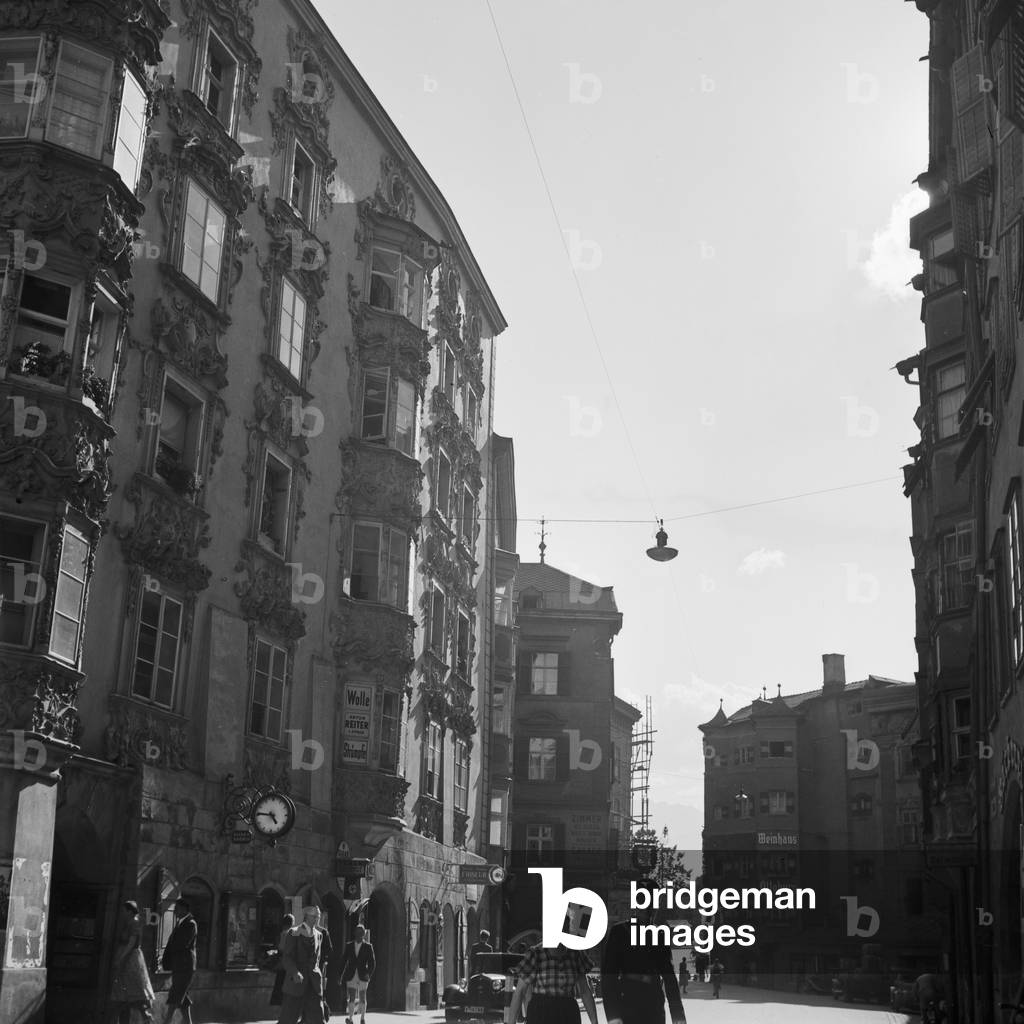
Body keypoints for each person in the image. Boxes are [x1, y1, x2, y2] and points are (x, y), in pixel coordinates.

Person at [601, 885, 686, 1024]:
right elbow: (609, 978)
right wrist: (613, 1016)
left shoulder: (659, 935)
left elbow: (669, 978)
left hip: (653, 1007)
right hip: (629, 1004)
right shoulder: (619, 932)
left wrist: (678, 1016)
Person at [505, 941, 598, 1024]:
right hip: (541, 1012)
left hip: (568, 1013)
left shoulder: (575, 953)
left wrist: (595, 1022)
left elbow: (585, 991)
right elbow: (520, 991)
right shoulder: (536, 953)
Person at [109, 901, 156, 1024]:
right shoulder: (130, 922)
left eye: (125, 910)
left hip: (131, 958)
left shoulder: (134, 922)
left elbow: (131, 943)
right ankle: (143, 1017)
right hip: (127, 956)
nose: (123, 913)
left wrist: (121, 957)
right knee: (128, 990)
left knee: (132, 989)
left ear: (130, 911)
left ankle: (146, 1017)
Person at [279, 906, 326, 1024]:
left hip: (313, 983)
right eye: (314, 916)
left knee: (318, 1019)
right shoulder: (294, 932)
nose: (317, 919)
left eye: (318, 917)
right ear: (306, 917)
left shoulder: (319, 935)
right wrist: (295, 972)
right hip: (296, 982)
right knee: (288, 1019)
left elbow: (317, 960)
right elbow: (287, 957)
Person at [160, 899, 198, 1024]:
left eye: (177, 908)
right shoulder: (180, 923)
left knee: (175, 994)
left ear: (184, 910)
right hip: (179, 965)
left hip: (185, 966)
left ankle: (167, 1021)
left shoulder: (191, 924)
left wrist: (169, 953)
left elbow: (181, 944)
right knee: (182, 997)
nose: (175, 911)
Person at [338, 924, 375, 1024]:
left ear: (364, 934)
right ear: (354, 933)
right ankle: (350, 1019)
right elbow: (343, 961)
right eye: (357, 932)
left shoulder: (368, 946)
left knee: (363, 997)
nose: (359, 934)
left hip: (363, 975)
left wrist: (369, 975)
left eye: (361, 933)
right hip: (351, 974)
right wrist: (340, 975)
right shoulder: (349, 946)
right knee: (352, 997)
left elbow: (372, 963)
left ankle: (362, 1019)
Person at [270, 914, 295, 1007]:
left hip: (283, 963)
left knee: (280, 986)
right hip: (289, 964)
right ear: (292, 923)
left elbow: (280, 948)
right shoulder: (292, 933)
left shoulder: (283, 934)